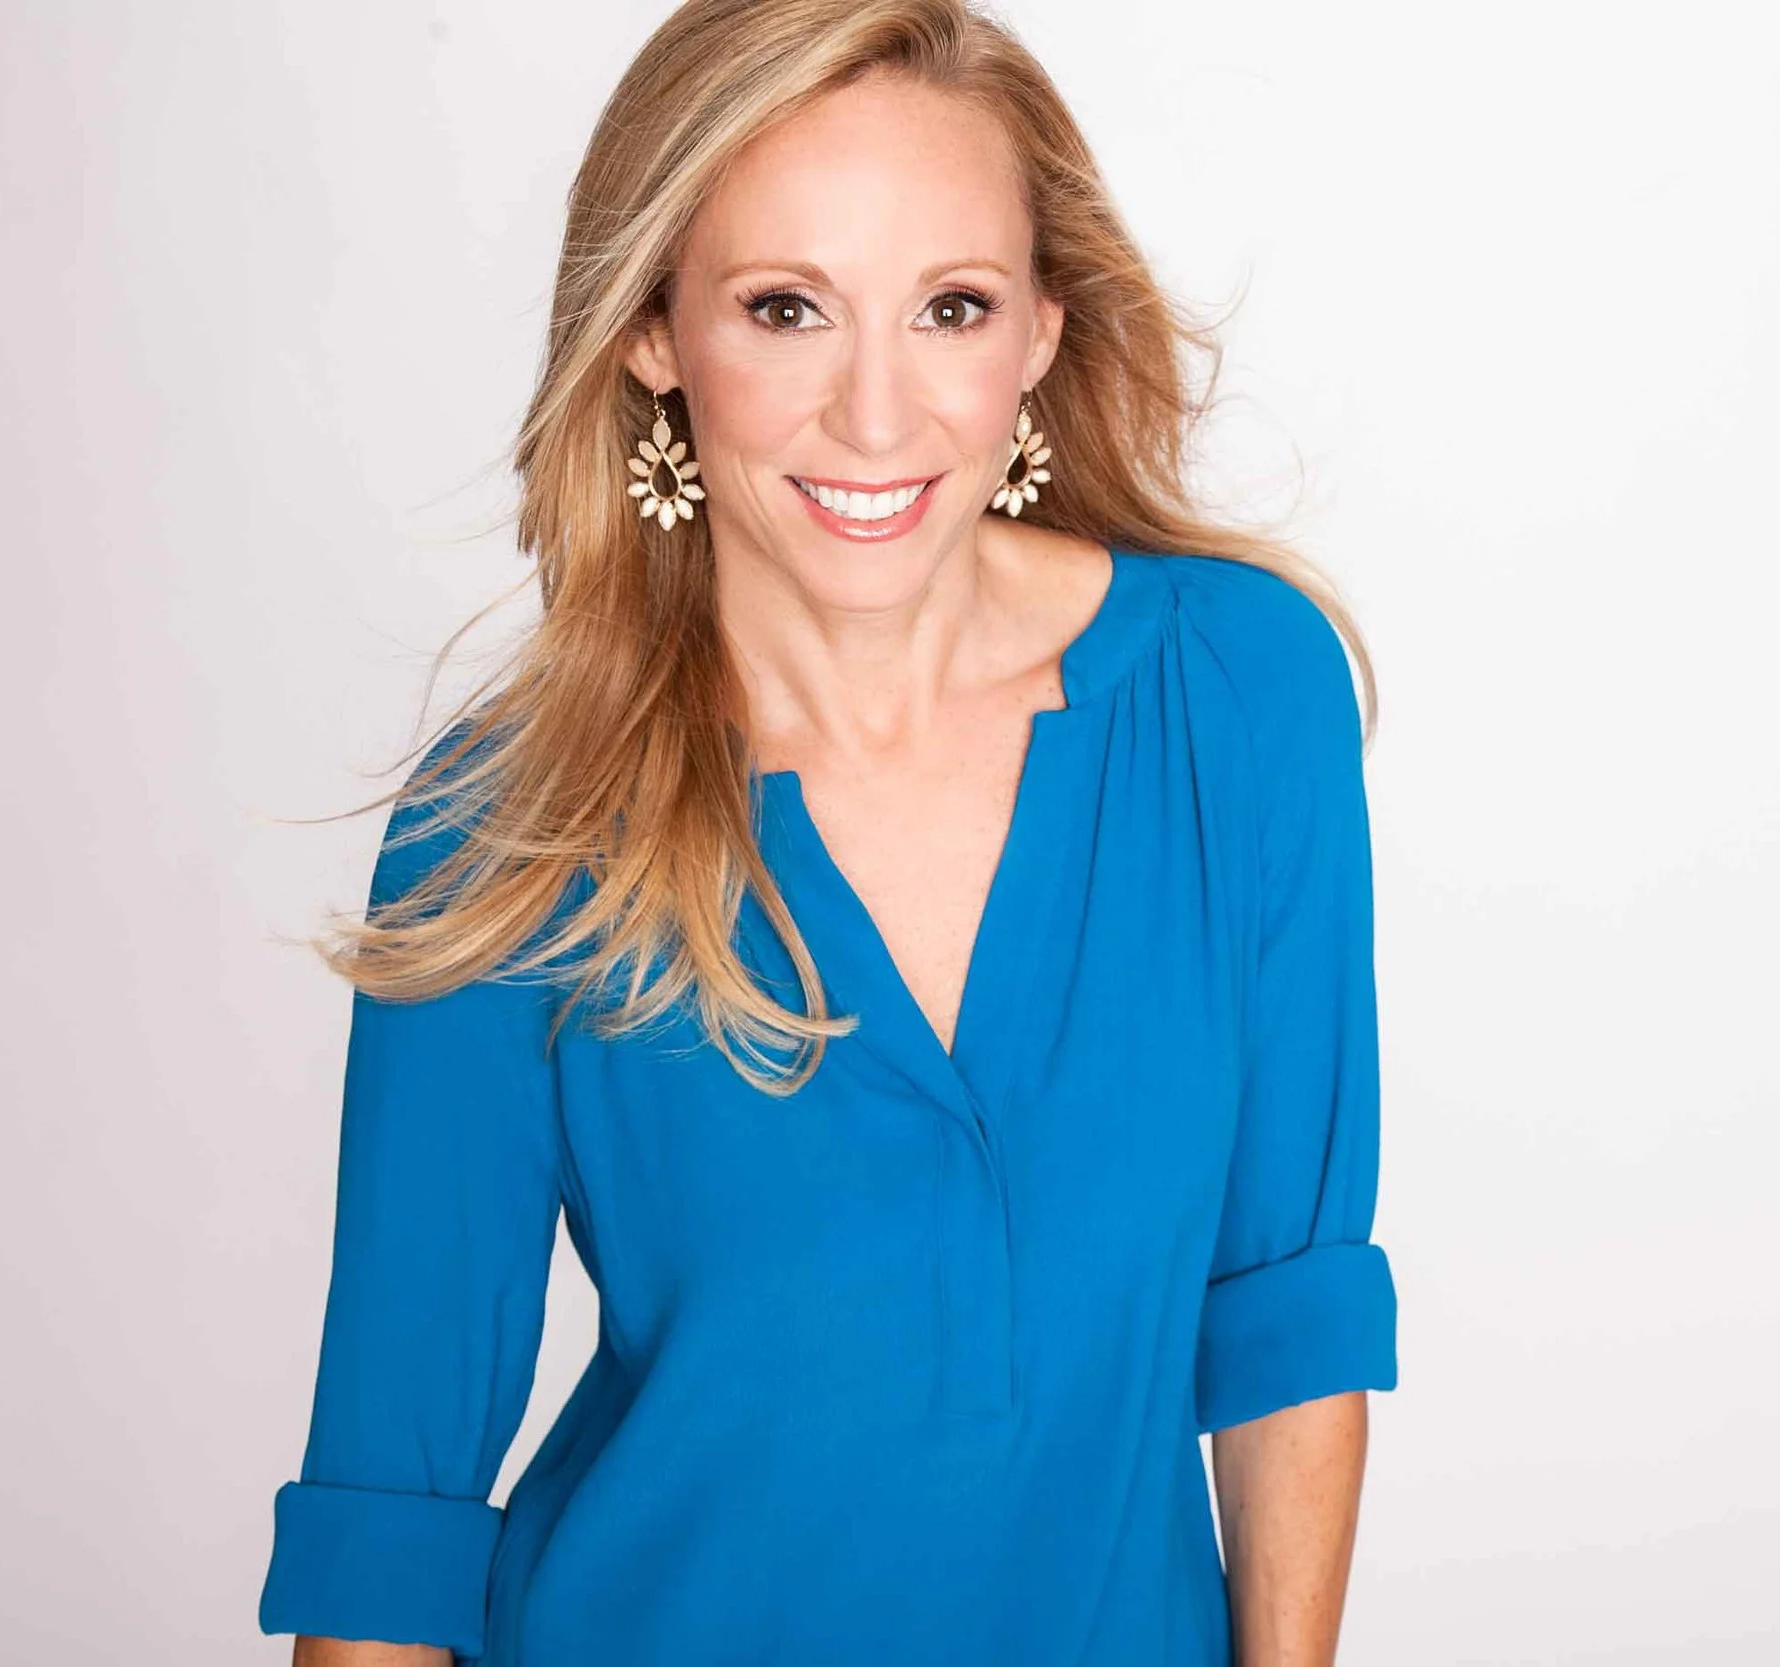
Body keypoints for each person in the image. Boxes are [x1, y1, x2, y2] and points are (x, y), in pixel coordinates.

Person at [253, 1, 1398, 1661]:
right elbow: (391, 1522)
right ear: (654, 331)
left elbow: (1288, 1317)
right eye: (785, 309)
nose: (875, 415)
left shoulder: (1236, 694)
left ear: (1042, 330)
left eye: (951, 307)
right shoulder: (510, 823)